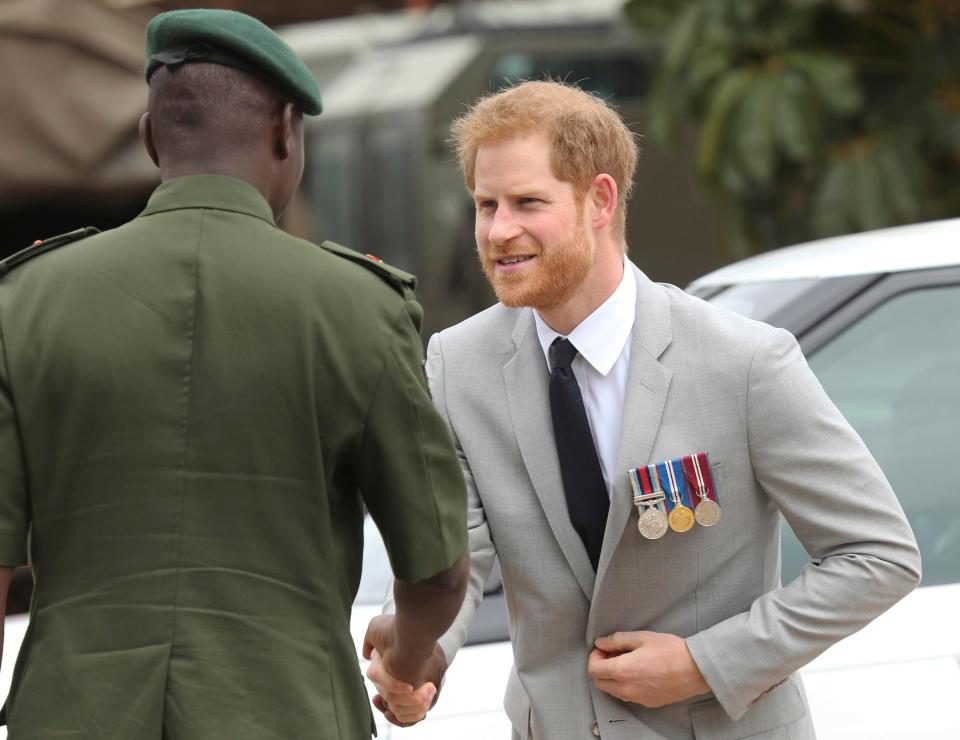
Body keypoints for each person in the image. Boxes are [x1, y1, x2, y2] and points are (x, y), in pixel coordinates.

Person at [367, 80, 921, 739]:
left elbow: (879, 554)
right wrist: (424, 657)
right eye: (486, 205)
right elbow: (458, 547)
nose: (497, 231)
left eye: (526, 203)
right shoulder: (457, 364)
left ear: (599, 200)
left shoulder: (745, 361)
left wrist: (705, 662)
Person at [0, 9, 468, 739]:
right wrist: (408, 661)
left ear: (152, 137)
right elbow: (437, 572)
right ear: (286, 131)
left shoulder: (25, 302)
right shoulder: (359, 308)